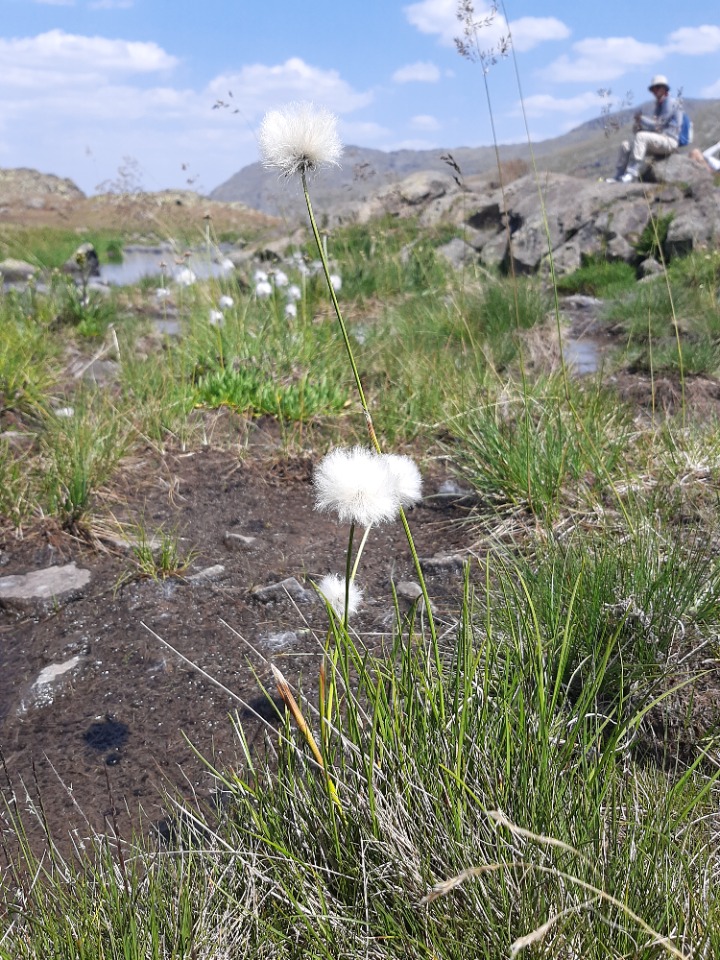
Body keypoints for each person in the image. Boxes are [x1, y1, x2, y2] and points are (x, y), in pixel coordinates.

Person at [607, 75, 680, 183]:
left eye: (658, 88)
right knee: (625, 145)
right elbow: (656, 128)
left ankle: (632, 173)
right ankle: (619, 175)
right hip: (660, 139)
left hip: (670, 140)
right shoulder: (659, 105)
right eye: (653, 89)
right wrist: (641, 128)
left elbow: (659, 124)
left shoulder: (670, 102)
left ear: (664, 89)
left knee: (641, 137)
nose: (655, 91)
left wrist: (641, 119)